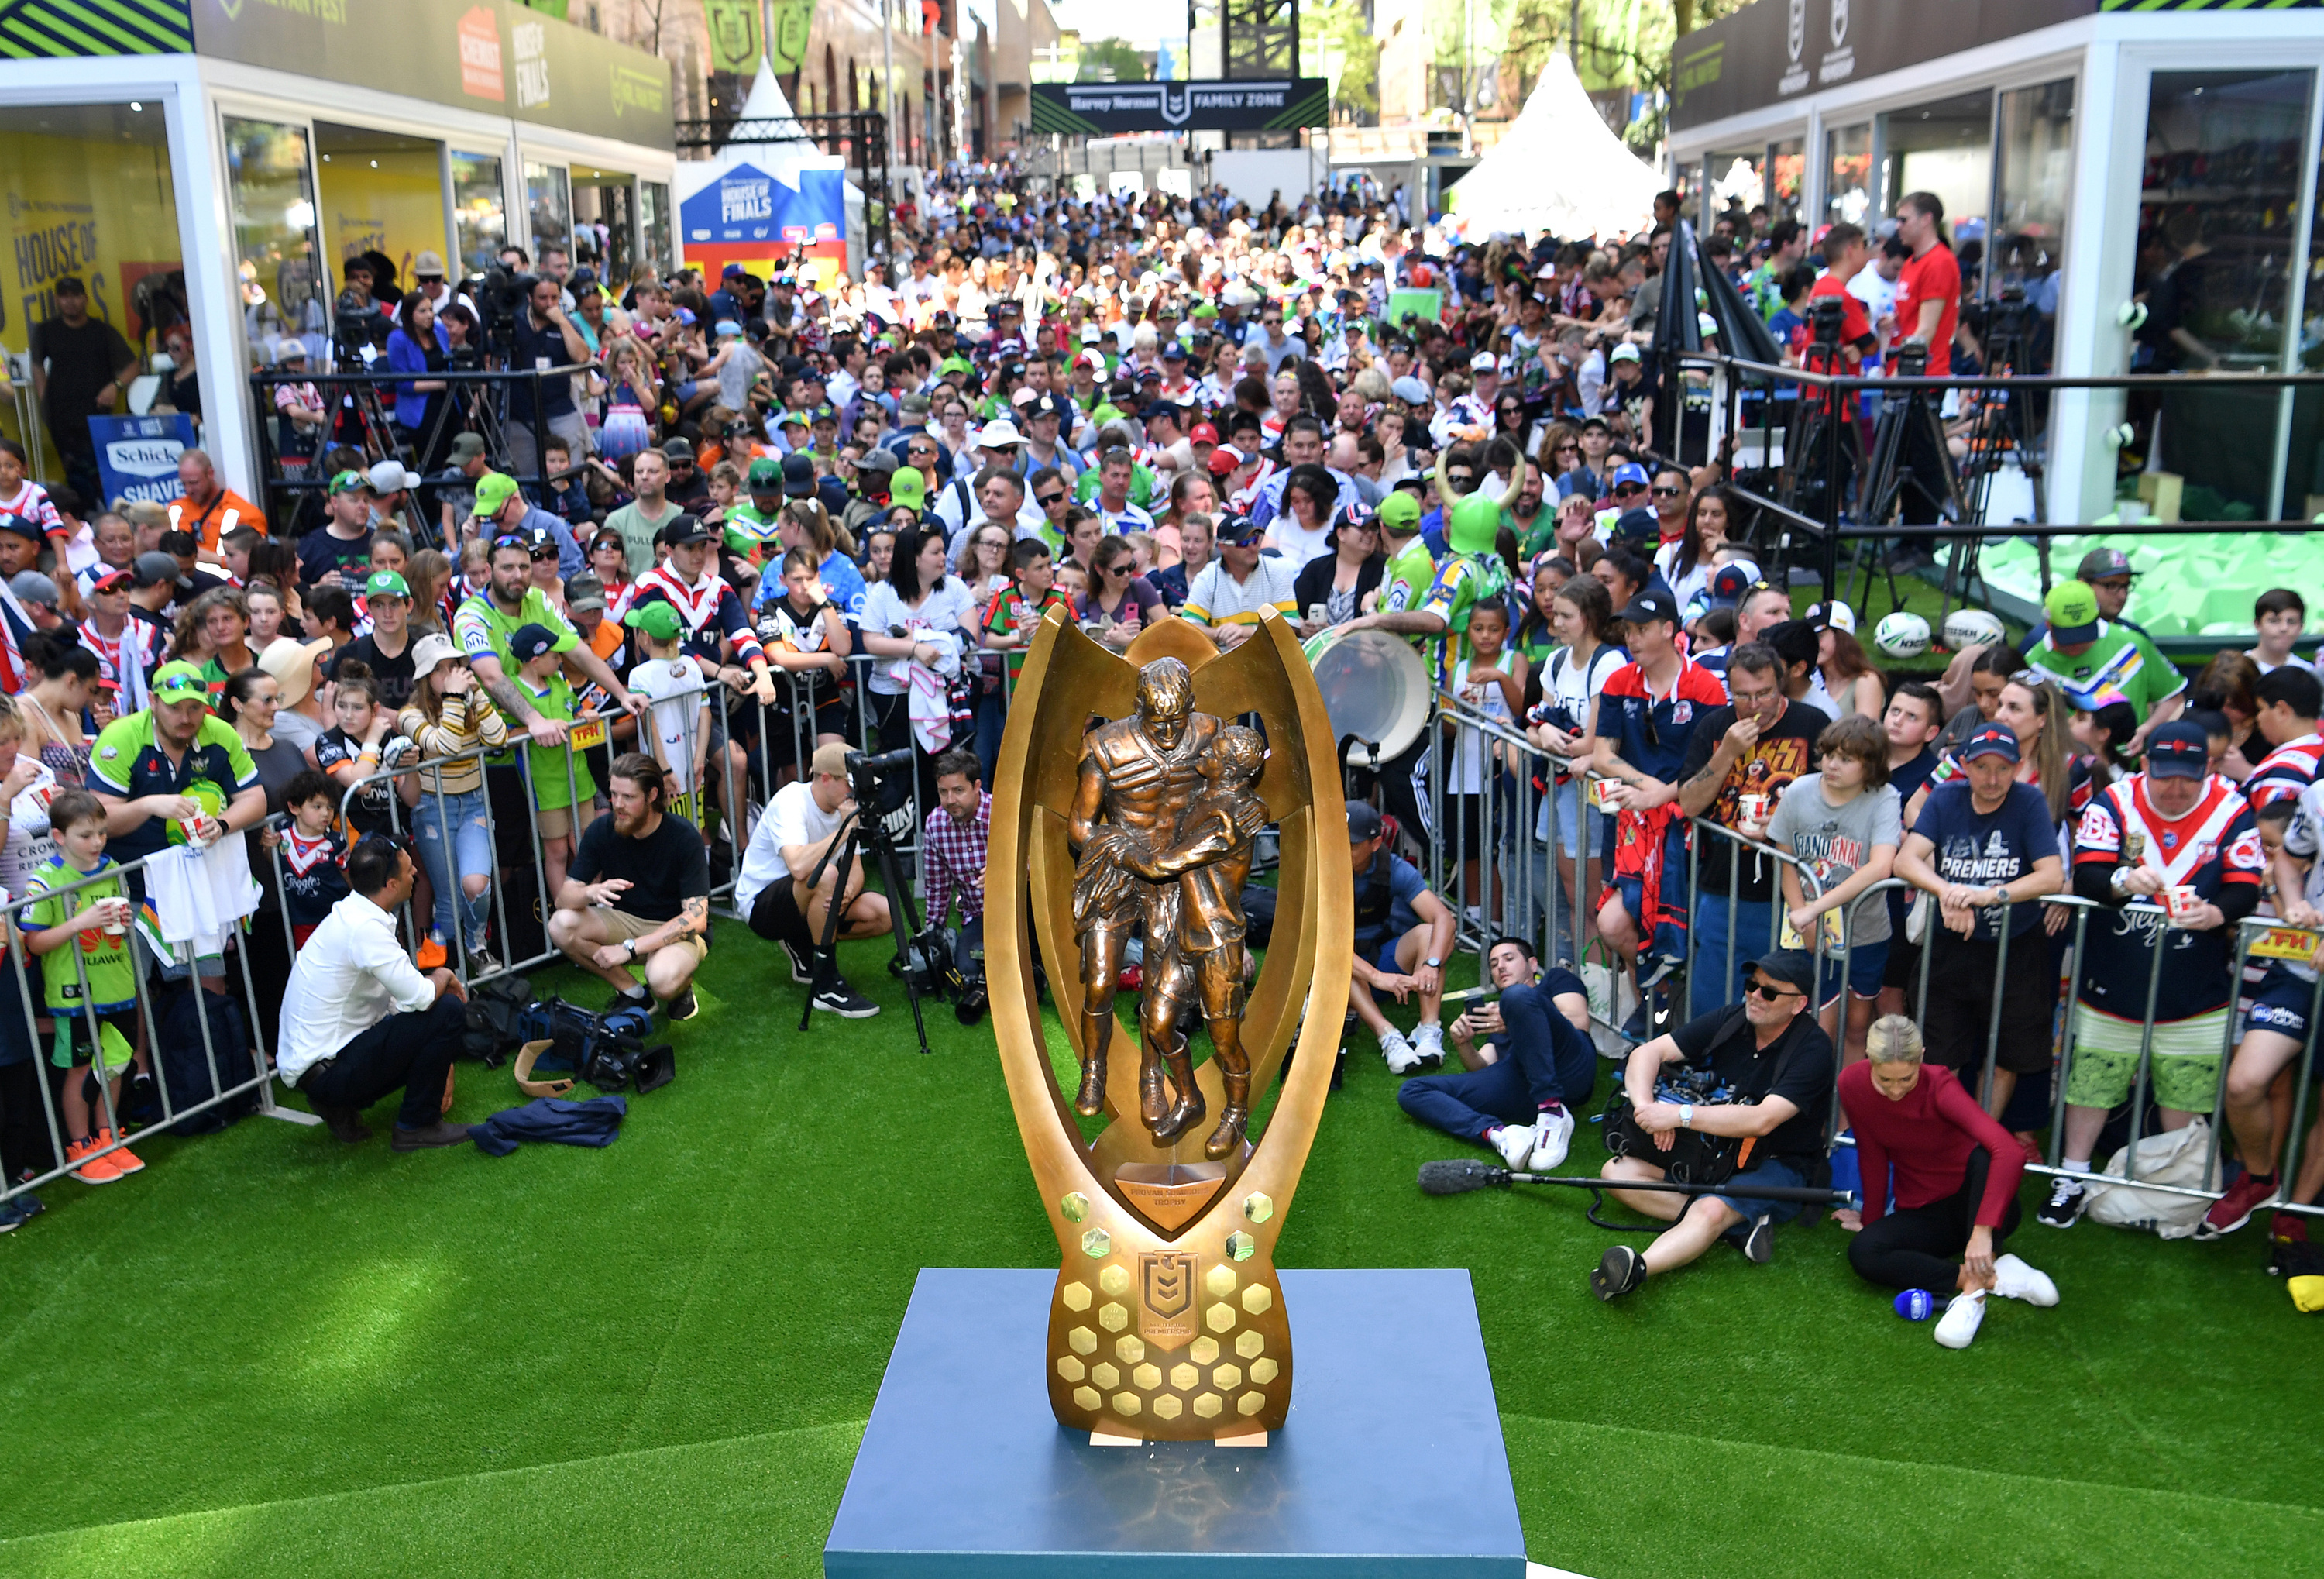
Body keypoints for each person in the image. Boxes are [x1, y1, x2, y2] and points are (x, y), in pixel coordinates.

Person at [2044, 721, 2262, 1229]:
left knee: (2184, 1091)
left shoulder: (2232, 809)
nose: (2177, 787)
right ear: (2145, 765)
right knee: (2091, 1083)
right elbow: (2090, 875)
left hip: (2197, 989)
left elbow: (2245, 885)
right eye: (2166, 776)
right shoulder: (2113, 803)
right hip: (2112, 982)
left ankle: (2173, 1186)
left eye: (2189, 776)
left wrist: (2217, 914)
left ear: (2207, 768)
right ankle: (2071, 1177)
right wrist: (2123, 879)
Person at [1592, 949, 1836, 1299]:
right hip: (1712, 1151)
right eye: (1752, 985)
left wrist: (1679, 1116)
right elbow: (1647, 1053)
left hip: (1777, 1164)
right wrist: (1648, 1110)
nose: (1754, 996)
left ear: (1798, 1005)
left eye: (1769, 992)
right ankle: (1734, 1232)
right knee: (1614, 1174)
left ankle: (1637, 1268)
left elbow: (1762, 1120)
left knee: (1710, 1208)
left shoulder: (1813, 1049)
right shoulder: (1732, 1018)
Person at [1839, 1016, 2058, 1350]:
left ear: (1922, 1057)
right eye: (1885, 1080)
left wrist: (1982, 1232)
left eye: (1906, 1079)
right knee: (1864, 1252)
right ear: (1868, 1058)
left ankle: (1974, 1298)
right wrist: (1870, 1219)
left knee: (1985, 1155)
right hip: (1925, 1212)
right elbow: (1871, 1152)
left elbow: (2010, 1153)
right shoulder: (1851, 1084)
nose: (1896, 1090)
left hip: (1978, 1205)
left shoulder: (1940, 1084)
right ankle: (1986, 1276)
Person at [1892, 722, 2065, 1123]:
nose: (1992, 778)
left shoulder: (2029, 802)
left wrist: (1989, 895)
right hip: (1949, 945)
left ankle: (1982, 1139)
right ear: (1965, 766)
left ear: (2018, 767)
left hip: (2016, 946)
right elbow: (1907, 859)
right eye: (1982, 767)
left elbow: (2051, 875)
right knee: (1938, 1053)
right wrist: (1948, 891)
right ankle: (1943, 1138)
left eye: (2003, 768)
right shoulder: (1946, 797)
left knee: (2008, 1053)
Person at [276, 834, 474, 1151]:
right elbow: (422, 997)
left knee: (430, 1012)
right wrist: (445, 974)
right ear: (391, 885)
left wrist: (442, 1056)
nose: (415, 874)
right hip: (328, 1071)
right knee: (448, 1009)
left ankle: (339, 1107)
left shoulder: (353, 913)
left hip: (317, 1068)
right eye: (409, 870)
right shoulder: (365, 929)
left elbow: (399, 1000)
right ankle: (416, 1126)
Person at [1672, 640, 1828, 1018]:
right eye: (1742, 695)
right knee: (1712, 1000)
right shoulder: (1715, 726)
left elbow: (1833, 804)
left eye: (1764, 694)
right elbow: (1689, 803)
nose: (1754, 705)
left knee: (1779, 999)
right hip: (1721, 884)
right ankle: (1705, 1072)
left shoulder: (1813, 724)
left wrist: (1779, 830)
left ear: (1781, 686)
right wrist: (1726, 751)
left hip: (1789, 891)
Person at [1590, 590, 1731, 1003]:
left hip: (1687, 827)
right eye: (1628, 630)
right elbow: (1602, 753)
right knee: (1614, 923)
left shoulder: (1704, 687)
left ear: (1669, 630)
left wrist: (1665, 794)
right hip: (1630, 824)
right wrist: (1643, 787)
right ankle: (1655, 1002)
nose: (1632, 639)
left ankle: (1671, 1017)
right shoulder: (1620, 680)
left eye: (1642, 629)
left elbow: (1714, 764)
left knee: (1685, 928)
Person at [21, 790, 143, 1185]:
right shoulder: (46, 881)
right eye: (85, 835)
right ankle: (81, 1147)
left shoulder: (112, 867)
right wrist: (79, 922)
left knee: (115, 1065)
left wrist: (122, 924)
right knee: (78, 1072)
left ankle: (109, 1139)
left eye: (102, 834)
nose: (97, 843)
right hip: (74, 995)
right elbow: (33, 941)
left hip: (117, 986)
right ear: (59, 837)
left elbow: (122, 924)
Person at [1767, 714, 1903, 1065]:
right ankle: (1811, 1110)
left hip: (1866, 931)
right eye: (1829, 755)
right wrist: (1804, 917)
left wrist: (1816, 909)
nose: (1832, 765)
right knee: (1819, 1027)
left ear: (1870, 765)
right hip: (1809, 933)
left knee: (1858, 1025)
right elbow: (1787, 861)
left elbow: (1880, 866)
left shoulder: (1885, 797)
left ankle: (1846, 1114)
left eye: (1846, 759)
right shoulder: (1799, 791)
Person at [1397, 937, 1594, 1170]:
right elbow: (1482, 1068)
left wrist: (1516, 1020)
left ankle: (1552, 1111)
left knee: (1517, 996)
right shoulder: (1497, 1013)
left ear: (1532, 964)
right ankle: (1499, 1135)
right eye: (1493, 964)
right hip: (1521, 1081)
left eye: (1509, 959)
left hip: (1568, 1064)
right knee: (1412, 1090)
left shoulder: (1554, 980)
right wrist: (1463, 1043)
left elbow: (1578, 1021)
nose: (1500, 966)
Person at [548, 752, 712, 1022]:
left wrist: (630, 948)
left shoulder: (683, 837)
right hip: (624, 920)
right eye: (613, 795)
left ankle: (681, 988)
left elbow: (696, 918)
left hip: (674, 927)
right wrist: (590, 892)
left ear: (651, 796)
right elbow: (563, 899)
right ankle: (634, 995)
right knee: (560, 924)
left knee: (662, 979)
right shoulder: (602, 830)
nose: (618, 805)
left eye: (628, 797)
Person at [736, 741, 889, 1018]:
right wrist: (844, 830)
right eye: (849, 784)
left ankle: (807, 940)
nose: (854, 792)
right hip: (762, 905)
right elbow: (797, 866)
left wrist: (848, 892)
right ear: (826, 779)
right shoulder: (791, 800)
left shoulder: (845, 805)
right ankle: (827, 985)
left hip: (813, 897)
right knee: (826, 875)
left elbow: (855, 868)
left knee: (885, 913)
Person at [397, 633, 507, 973]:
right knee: (447, 901)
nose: (451, 675)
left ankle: (476, 945)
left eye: (455, 666)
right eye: (440, 669)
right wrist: (456, 699)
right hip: (433, 808)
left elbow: (499, 737)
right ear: (424, 678)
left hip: (474, 804)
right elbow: (446, 746)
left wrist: (475, 698)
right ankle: (443, 973)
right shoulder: (409, 714)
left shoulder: (468, 700)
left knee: (477, 886)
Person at [1345, 801, 1456, 1073]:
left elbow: (1443, 919)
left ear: (1375, 844)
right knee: (1330, 960)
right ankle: (1388, 1035)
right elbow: (1322, 945)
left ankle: (1428, 1029)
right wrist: (1375, 976)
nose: (1340, 849)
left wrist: (1431, 964)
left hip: (1383, 958)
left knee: (1431, 935)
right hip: (1344, 971)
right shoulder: (1320, 870)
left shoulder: (1393, 867)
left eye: (1352, 844)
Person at [29, 277, 139, 503]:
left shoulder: (102, 332)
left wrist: (115, 386)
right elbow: (36, 365)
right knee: (75, 479)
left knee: (101, 475)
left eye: (75, 296)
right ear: (57, 300)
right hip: (61, 418)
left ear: (85, 299)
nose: (70, 302)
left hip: (97, 416)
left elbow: (133, 365)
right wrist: (44, 399)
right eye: (65, 296)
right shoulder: (46, 331)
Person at [921, 748, 991, 989]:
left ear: (977, 786)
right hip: (980, 917)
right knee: (968, 975)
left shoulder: (1005, 813)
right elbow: (937, 887)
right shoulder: (935, 824)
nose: (950, 800)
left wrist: (1005, 873)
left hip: (1024, 912)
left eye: (958, 790)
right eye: (943, 792)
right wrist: (934, 936)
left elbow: (1039, 864)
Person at [1180, 514, 1298, 648]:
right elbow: (1187, 628)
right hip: (1224, 661)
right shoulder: (1207, 577)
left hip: (1271, 657)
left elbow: (1291, 625)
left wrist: (1246, 632)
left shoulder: (1277, 570)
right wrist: (1221, 633)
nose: (1253, 547)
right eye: (1244, 543)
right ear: (1223, 547)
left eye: (1255, 540)